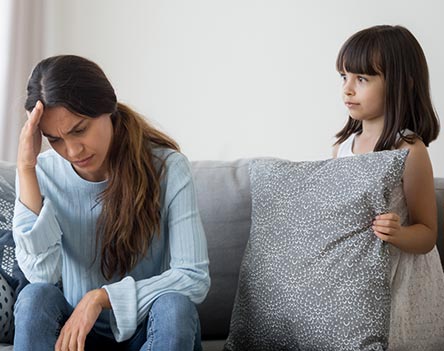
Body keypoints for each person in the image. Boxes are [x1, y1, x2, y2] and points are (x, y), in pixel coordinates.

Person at [12, 55, 210, 351]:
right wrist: (26, 168)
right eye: (55, 139)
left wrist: (100, 297)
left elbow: (193, 277)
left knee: (174, 308)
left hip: (149, 332)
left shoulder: (168, 168)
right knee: (34, 298)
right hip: (76, 339)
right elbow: (42, 275)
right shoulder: (41, 173)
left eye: (80, 130)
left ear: (107, 107)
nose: (73, 150)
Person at [333, 25, 444, 349]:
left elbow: (427, 234)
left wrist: (399, 234)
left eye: (362, 79)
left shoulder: (409, 150)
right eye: (344, 77)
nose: (348, 89)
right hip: (355, 275)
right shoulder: (342, 147)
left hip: (402, 283)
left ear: (400, 84)